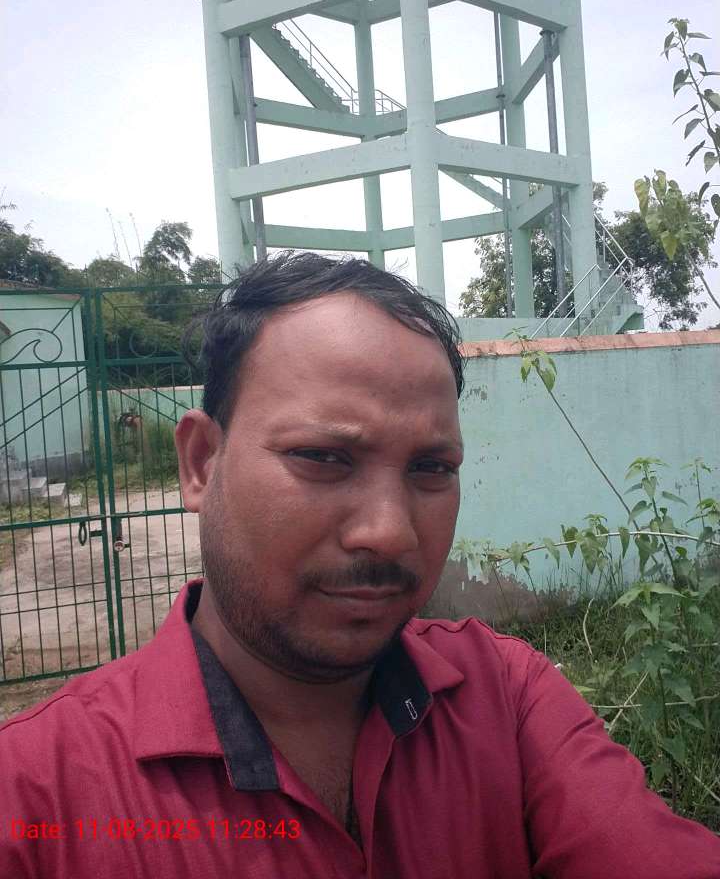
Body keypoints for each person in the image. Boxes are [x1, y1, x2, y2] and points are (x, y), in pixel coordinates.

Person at [1, 250, 718, 879]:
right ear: (200, 464)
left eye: (431, 468)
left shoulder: (506, 699)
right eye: (323, 457)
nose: (390, 532)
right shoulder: (34, 799)